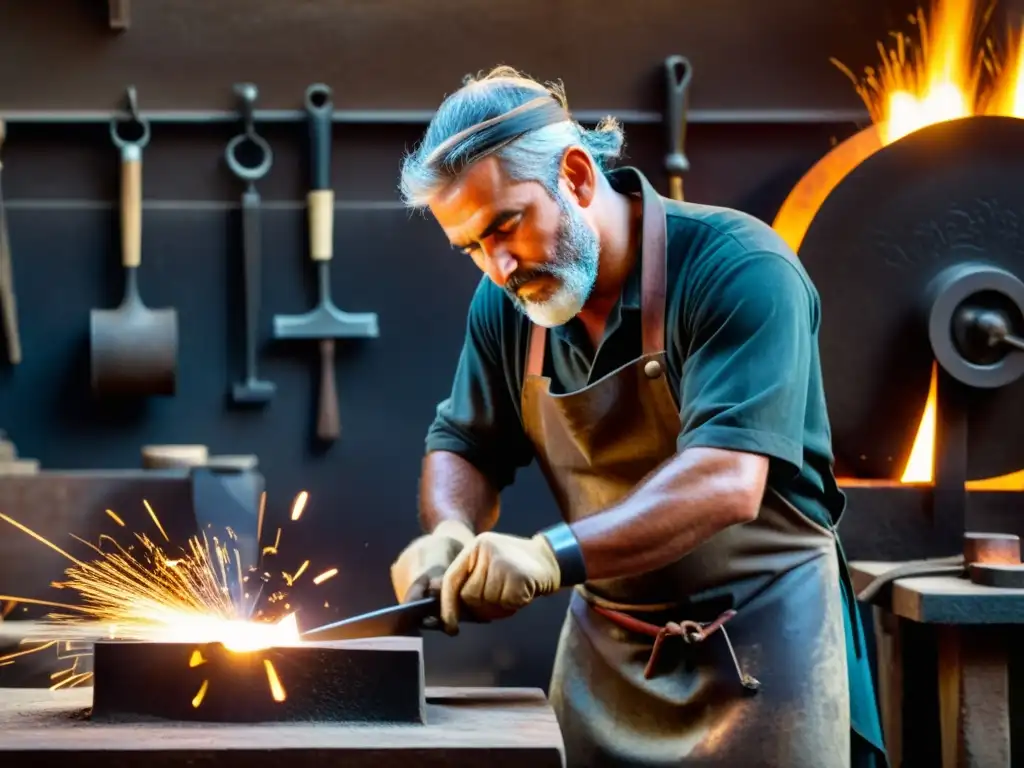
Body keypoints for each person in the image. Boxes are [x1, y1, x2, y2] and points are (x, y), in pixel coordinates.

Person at [389, 65, 888, 768]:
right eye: (471, 247)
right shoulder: (508, 306)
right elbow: (464, 443)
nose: (497, 266)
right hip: (610, 662)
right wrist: (450, 530)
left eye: (506, 225)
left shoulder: (737, 268)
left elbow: (725, 479)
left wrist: (544, 556)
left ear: (577, 176)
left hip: (768, 651)